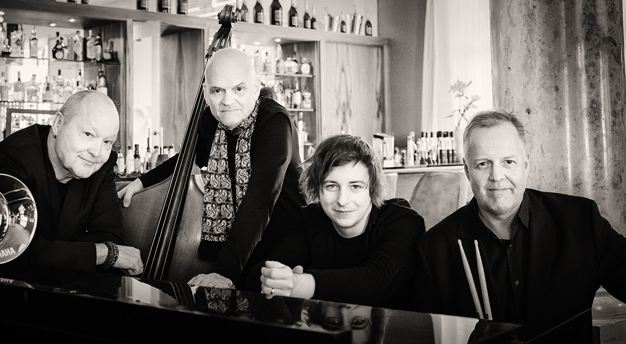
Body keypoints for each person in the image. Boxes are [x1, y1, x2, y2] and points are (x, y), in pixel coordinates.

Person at [415, 109, 626, 328]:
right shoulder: (435, 249)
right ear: (467, 171)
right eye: (483, 164)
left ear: (525, 165)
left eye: (508, 162)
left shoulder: (580, 220)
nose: (497, 176)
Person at [118, 47, 305, 289]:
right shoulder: (211, 120)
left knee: (251, 289)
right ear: (206, 92)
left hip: (284, 235)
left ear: (256, 87)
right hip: (242, 239)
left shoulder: (274, 122)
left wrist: (225, 272)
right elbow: (188, 158)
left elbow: (260, 197)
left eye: (239, 89)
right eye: (218, 90)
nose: (228, 101)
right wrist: (141, 182)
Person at [251, 134, 424, 310]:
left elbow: (376, 281)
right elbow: (260, 273)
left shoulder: (402, 221)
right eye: (331, 186)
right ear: (317, 188)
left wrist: (299, 285)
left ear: (372, 189)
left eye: (355, 187)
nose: (342, 200)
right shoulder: (311, 220)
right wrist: (276, 278)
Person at [0, 91, 143, 275]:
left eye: (107, 141)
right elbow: (12, 251)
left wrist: (52, 252)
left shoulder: (101, 166)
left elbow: (110, 236)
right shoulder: (13, 157)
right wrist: (100, 252)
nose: (97, 152)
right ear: (58, 124)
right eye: (88, 134)